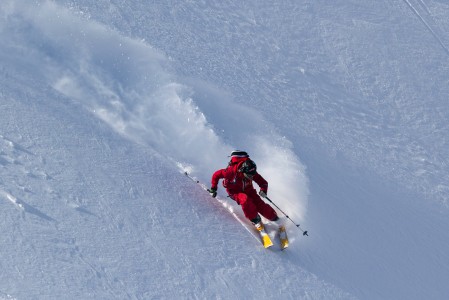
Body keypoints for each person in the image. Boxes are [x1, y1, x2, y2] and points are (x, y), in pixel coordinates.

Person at [208, 150, 281, 232]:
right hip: (235, 192)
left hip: (250, 190)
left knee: (260, 204)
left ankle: (275, 218)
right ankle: (255, 220)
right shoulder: (230, 172)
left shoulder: (251, 171)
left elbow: (263, 182)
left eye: (252, 175)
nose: (251, 177)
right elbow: (216, 175)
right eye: (249, 175)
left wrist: (263, 190)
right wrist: (213, 188)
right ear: (242, 170)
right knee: (245, 200)